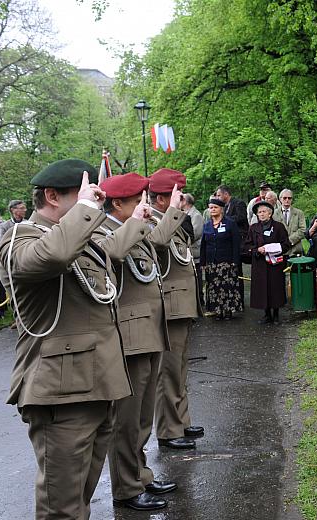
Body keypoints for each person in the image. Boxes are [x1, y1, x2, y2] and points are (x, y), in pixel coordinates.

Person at [0, 159, 132, 519]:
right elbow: (53, 256)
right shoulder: (18, 237)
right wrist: (87, 210)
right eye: (86, 195)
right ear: (52, 196)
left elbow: (113, 252)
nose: (97, 204)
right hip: (60, 391)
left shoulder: (82, 237)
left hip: (98, 382)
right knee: (62, 507)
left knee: (80, 498)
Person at [95, 173, 184, 511]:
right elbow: (113, 252)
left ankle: (141, 475)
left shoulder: (134, 226)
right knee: (128, 418)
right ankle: (126, 487)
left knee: (143, 415)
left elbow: (159, 241)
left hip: (148, 330)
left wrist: (172, 211)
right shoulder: (104, 231)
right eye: (137, 201)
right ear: (117, 204)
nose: (144, 206)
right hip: (130, 336)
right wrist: (135, 221)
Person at [150, 169, 204, 450]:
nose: (182, 198)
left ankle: (181, 421)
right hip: (169, 307)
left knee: (180, 369)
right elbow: (157, 242)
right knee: (168, 372)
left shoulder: (170, 219)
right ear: (162, 198)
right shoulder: (152, 221)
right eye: (176, 194)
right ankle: (169, 431)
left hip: (181, 305)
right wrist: (173, 211)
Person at [244, 201, 290, 324]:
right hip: (260, 264)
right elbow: (247, 246)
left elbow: (286, 244)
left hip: (274, 263)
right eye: (259, 212)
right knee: (262, 288)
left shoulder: (279, 227)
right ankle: (266, 314)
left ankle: (276, 314)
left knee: (275, 288)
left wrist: (274, 248)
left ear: (270, 213)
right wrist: (257, 250)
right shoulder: (253, 228)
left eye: (264, 211)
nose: (261, 214)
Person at [200, 198, 243, 320]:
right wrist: (203, 261)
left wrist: (235, 260)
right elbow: (203, 244)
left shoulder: (230, 223)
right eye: (211, 207)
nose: (213, 210)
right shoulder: (207, 225)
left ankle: (228, 310)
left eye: (215, 207)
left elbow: (236, 243)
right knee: (214, 287)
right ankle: (217, 311)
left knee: (227, 286)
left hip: (226, 261)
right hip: (211, 262)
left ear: (221, 209)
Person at [215, 185, 248, 302]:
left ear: (226, 194)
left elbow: (241, 217)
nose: (218, 197)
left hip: (238, 241)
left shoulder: (239, 203)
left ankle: (240, 300)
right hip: (227, 242)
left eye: (219, 195)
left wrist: (224, 219)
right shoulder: (224, 207)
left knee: (237, 270)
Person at [182, 194, 205, 303]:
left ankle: (200, 299)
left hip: (195, 251)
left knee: (197, 277)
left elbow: (196, 233)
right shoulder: (185, 214)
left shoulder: (195, 215)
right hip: (188, 252)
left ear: (186, 202)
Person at [272, 189, 306, 257]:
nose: (287, 200)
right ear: (280, 199)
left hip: (296, 250)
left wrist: (290, 241)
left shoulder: (299, 213)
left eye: (289, 198)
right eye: (284, 198)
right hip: (280, 251)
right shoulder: (273, 214)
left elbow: (303, 230)